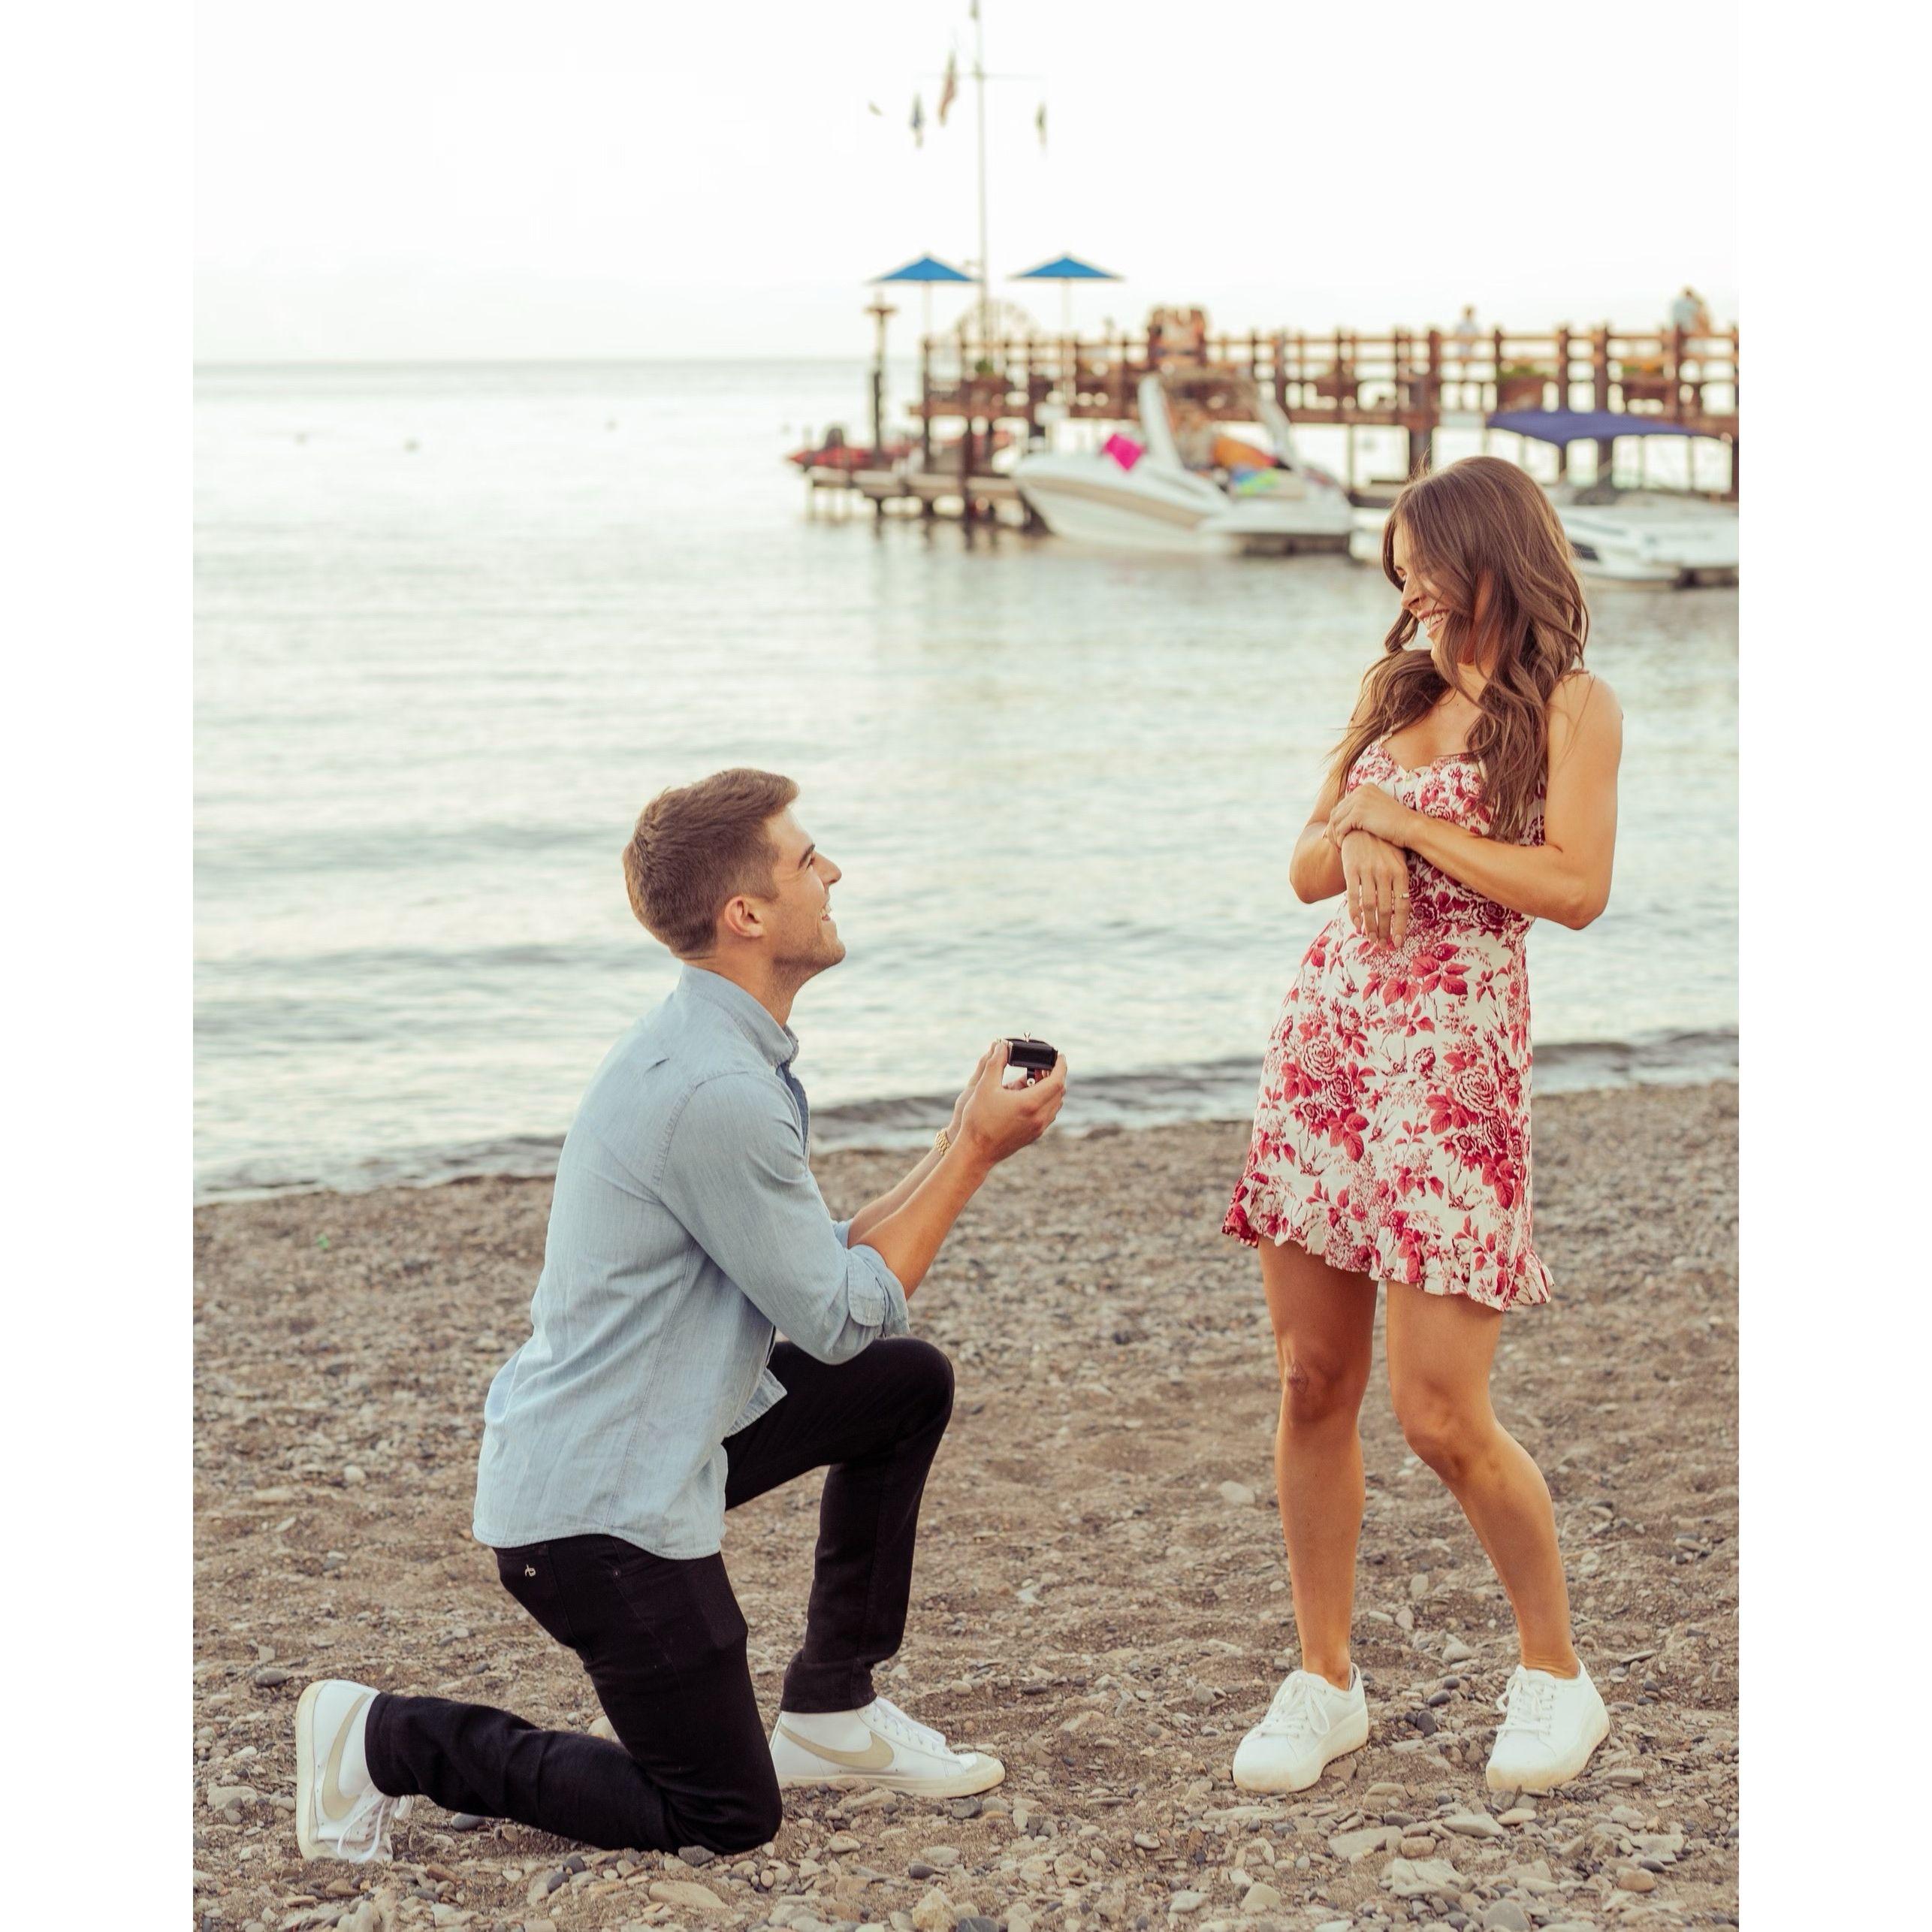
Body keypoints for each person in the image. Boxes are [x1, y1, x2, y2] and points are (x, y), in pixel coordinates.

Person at [291, 768, 1068, 1864]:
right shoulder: (717, 1093)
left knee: (905, 1386)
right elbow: (842, 1317)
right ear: (746, 914)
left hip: (655, 1436)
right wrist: (980, 1155)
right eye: (808, 860)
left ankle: (835, 1715)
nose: (832, 869)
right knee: (721, 1816)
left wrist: (953, 1135)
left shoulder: (716, 1054)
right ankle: (382, 1736)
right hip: (593, 1514)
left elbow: (821, 1274)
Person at [1221, 457, 1623, 1799]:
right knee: (1309, 1385)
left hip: (1454, 1068)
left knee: (1441, 1412)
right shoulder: (1395, 697)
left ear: (1489, 556)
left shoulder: (1573, 708)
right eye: (1397, 571)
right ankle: (1324, 1680)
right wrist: (1360, 822)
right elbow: (1304, 871)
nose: (1406, 593)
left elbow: (1573, 889)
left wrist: (1405, 825)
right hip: (1332, 1051)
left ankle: (1557, 1674)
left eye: (1421, 565)